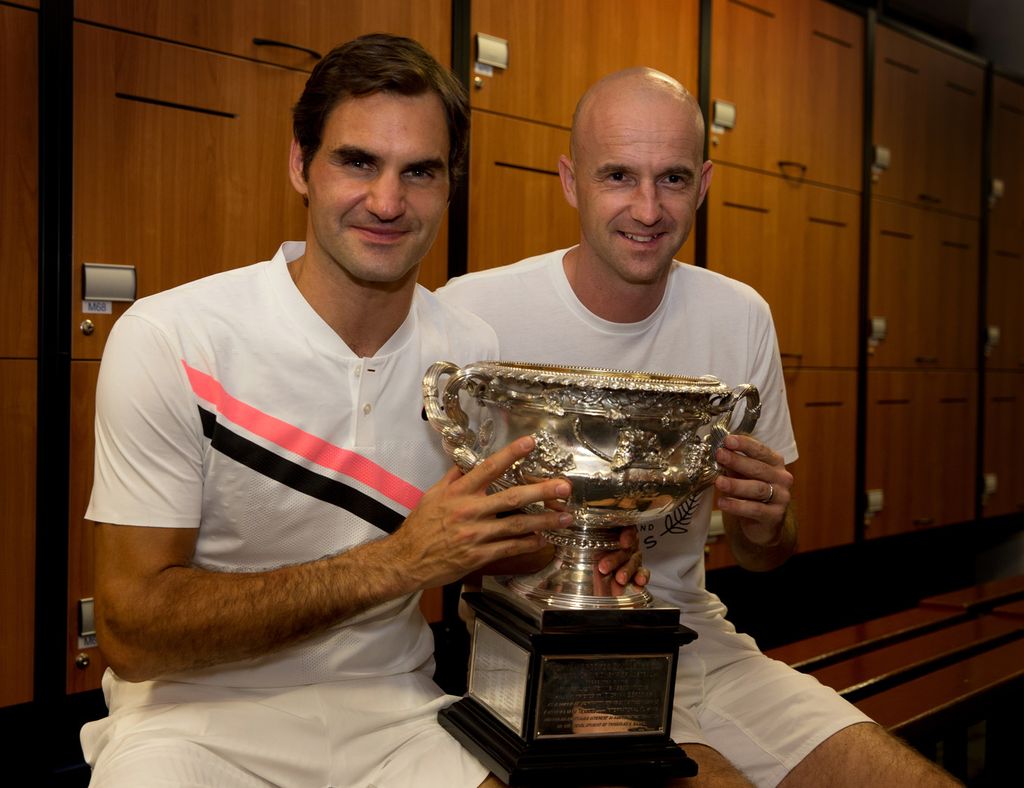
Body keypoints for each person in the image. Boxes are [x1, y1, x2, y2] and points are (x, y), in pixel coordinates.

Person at [79, 34, 613, 788]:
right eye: (358, 162)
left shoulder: (469, 353)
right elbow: (133, 632)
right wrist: (398, 563)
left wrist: (571, 543)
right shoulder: (173, 338)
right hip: (192, 720)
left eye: (419, 171)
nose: (388, 203)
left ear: (450, 184)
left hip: (396, 717)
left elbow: (482, 550)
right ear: (301, 165)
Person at [437, 68, 960, 786]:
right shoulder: (476, 314)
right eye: (618, 176)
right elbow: (434, 550)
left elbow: (765, 555)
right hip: (538, 645)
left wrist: (765, 522)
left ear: (704, 183)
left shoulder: (739, 316)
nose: (648, 209)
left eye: (673, 179)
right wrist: (561, 545)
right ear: (571, 181)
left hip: (697, 637)